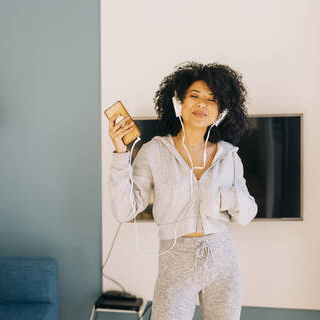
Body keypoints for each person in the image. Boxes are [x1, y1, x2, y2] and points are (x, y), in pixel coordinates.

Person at [107, 61, 258, 320]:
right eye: (194, 96)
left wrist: (225, 197)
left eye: (212, 100)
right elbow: (124, 210)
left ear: (220, 111)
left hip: (223, 260)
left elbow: (247, 213)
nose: (202, 105)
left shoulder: (229, 155)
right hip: (175, 262)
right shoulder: (155, 151)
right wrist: (121, 153)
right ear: (178, 103)